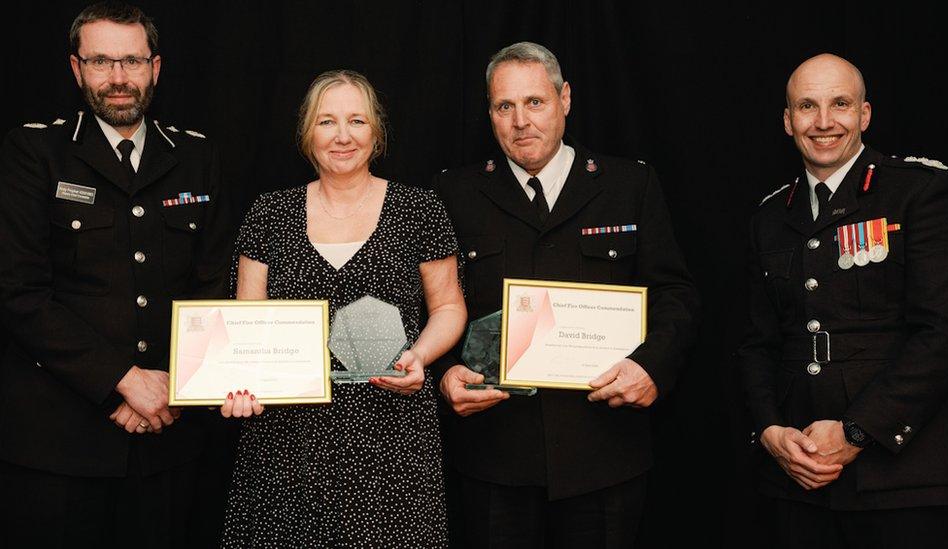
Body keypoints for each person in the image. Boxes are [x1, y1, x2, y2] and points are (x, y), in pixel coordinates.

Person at [431, 42, 700, 548]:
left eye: (535, 102)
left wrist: (651, 367)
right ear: (489, 113)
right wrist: (443, 375)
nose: (520, 121)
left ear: (565, 99)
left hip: (603, 452)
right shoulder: (455, 194)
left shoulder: (629, 184)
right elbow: (432, 305)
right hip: (496, 456)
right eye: (503, 106)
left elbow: (674, 294)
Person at [0, 1, 233, 547]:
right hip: (58, 443)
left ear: (156, 67)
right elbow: (18, 291)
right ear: (77, 69)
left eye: (132, 61)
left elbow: (212, 284)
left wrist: (177, 387)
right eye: (102, 62)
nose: (119, 78)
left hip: (170, 439)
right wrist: (124, 383)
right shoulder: (34, 151)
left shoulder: (197, 156)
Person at [219, 69, 466, 548]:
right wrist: (241, 383)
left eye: (357, 121)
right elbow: (245, 325)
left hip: (393, 440)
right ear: (307, 133)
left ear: (376, 133)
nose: (342, 136)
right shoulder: (268, 214)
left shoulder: (420, 210)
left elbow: (450, 307)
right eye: (327, 121)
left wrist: (420, 356)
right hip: (284, 447)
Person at [739, 53, 948, 548]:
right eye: (807, 106)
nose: (824, 122)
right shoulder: (769, 215)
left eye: (840, 104)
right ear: (788, 121)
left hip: (903, 479)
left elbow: (945, 334)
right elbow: (757, 343)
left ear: (865, 114)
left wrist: (855, 432)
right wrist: (768, 430)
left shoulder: (921, 193)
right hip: (798, 478)